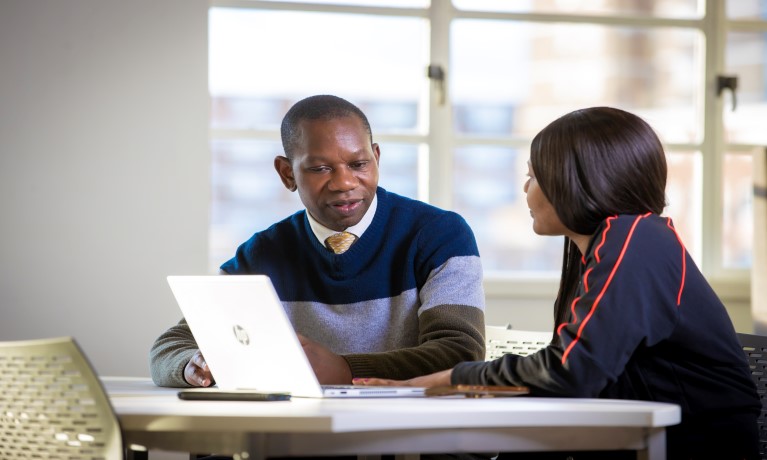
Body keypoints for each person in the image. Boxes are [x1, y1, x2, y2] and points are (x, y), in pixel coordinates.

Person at [356, 107, 761, 459]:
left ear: (572, 182)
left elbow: (572, 372)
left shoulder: (635, 239)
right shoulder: (603, 246)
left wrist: (454, 376)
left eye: (532, 176)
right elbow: (571, 369)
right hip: (629, 435)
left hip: (693, 446)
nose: (525, 189)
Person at [150, 94, 487, 389]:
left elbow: (460, 352)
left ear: (377, 158)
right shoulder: (262, 254)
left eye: (358, 164)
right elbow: (171, 345)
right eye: (321, 168)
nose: (344, 182)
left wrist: (345, 369)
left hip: (407, 433)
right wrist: (191, 364)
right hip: (302, 435)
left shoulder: (439, 234)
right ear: (287, 174)